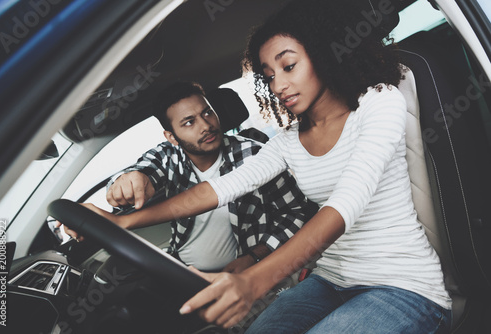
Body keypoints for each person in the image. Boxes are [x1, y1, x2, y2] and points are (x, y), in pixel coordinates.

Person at [64, 0, 452, 332]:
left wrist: (252, 280)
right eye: (269, 76)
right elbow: (217, 190)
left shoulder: (377, 102)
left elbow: (346, 202)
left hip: (403, 286)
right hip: (330, 279)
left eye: (289, 66)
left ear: (321, 54)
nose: (279, 85)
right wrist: (121, 222)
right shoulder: (286, 141)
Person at [64, 80, 317, 274]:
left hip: (247, 273)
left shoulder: (254, 154)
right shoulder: (167, 156)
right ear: (171, 137)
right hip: (182, 270)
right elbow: (144, 172)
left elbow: (296, 213)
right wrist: (129, 182)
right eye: (188, 122)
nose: (205, 125)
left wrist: (254, 258)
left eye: (207, 113)